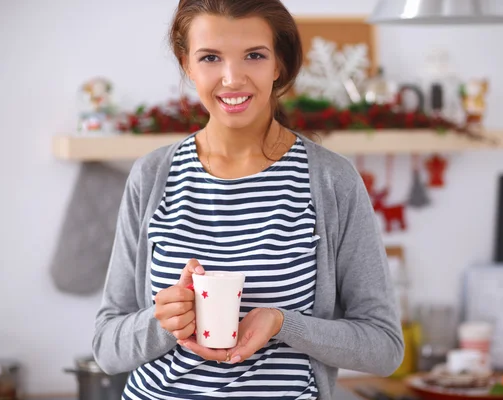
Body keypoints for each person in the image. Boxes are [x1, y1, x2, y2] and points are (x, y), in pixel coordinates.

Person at [93, 0, 404, 399]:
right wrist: (162, 321)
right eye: (210, 57)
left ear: (279, 64)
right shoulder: (153, 176)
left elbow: (384, 348)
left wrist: (282, 323)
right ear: (187, 65)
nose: (232, 78)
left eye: (254, 55)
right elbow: (106, 347)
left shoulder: (330, 180)